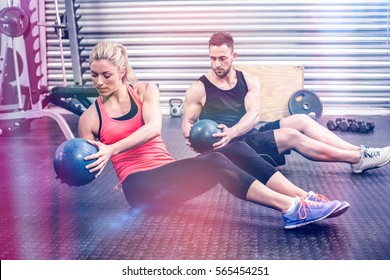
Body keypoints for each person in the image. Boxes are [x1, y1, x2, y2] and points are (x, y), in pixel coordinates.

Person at [78, 41, 348, 230]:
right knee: (215, 162)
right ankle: (291, 209)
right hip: (139, 188)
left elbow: (153, 128)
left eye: (107, 75)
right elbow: (87, 163)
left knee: (236, 149)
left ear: (122, 72)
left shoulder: (145, 91)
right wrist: (75, 169)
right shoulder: (90, 118)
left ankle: (305, 198)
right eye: (94, 75)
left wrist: (111, 148)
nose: (99, 82)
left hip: (168, 176)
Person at [182, 31, 390, 172]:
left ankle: (359, 151)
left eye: (222, 58)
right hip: (230, 149)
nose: (216, 64)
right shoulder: (198, 88)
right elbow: (187, 121)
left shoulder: (248, 80)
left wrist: (234, 131)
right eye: (212, 58)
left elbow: (253, 114)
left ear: (234, 55)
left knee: (301, 120)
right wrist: (189, 134)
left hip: (244, 135)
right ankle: (357, 159)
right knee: (291, 135)